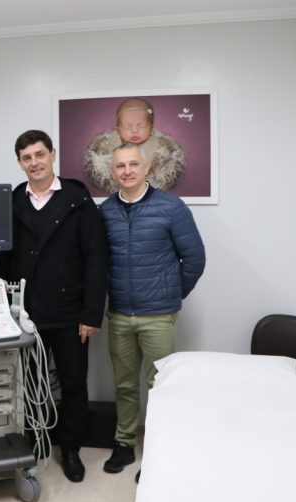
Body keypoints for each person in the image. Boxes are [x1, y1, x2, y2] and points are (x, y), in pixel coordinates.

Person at [0, 129, 108, 483]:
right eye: (27, 158)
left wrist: (91, 313)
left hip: (70, 313)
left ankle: (71, 448)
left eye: (39, 154)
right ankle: (37, 439)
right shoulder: (13, 201)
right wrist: (5, 310)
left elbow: (96, 259)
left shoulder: (78, 199)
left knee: (73, 383)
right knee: (30, 382)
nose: (34, 163)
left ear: (52, 154)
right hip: (27, 315)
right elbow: (3, 260)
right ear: (20, 162)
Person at [99, 142, 205, 477]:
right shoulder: (105, 211)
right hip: (119, 315)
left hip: (158, 316)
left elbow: (195, 258)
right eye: (120, 166)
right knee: (125, 385)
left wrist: (170, 294)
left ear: (147, 168)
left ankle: (159, 450)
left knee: (160, 387)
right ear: (112, 172)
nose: (127, 171)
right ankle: (124, 444)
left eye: (133, 164)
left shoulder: (171, 207)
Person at [83, 97, 186, 193]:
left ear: (151, 127)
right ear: (118, 129)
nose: (135, 130)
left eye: (141, 125)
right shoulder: (107, 150)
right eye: (127, 126)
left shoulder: (161, 151)